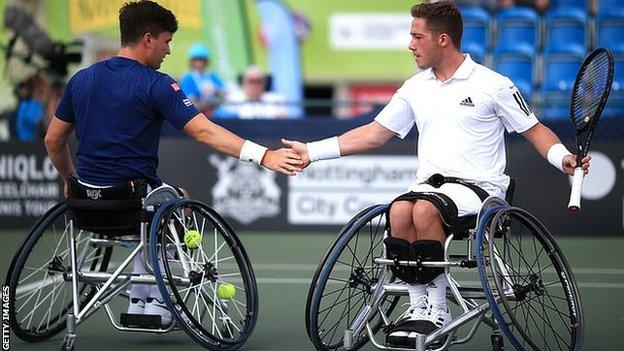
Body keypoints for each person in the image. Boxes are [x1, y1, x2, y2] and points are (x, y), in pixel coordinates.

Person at [282, 1, 589, 347]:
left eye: (417, 36)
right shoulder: (415, 87)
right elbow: (373, 133)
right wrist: (311, 152)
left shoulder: (494, 84)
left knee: (425, 209)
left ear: (443, 40)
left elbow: (535, 131)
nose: (410, 44)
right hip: (428, 188)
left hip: (480, 192)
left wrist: (563, 157)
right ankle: (417, 308)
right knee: (399, 209)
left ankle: (437, 309)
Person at [44, 0, 302, 327]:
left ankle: (140, 299)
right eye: (166, 41)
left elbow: (53, 141)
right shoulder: (157, 84)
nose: (168, 50)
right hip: (130, 200)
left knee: (159, 198)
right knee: (174, 200)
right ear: (148, 38)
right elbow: (204, 131)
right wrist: (265, 155)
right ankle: (151, 302)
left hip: (85, 201)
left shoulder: (80, 80)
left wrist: (70, 179)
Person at [215, 65, 288, 119]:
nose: (254, 85)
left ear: (264, 83)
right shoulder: (232, 100)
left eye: (258, 81)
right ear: (244, 82)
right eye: (251, 81)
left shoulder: (276, 100)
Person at [178, 43, 227, 115]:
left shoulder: (212, 76)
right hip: (196, 114)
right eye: (196, 60)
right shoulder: (187, 78)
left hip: (215, 111)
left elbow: (225, 93)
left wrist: (216, 90)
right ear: (191, 62)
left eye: (201, 60)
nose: (199, 63)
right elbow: (188, 100)